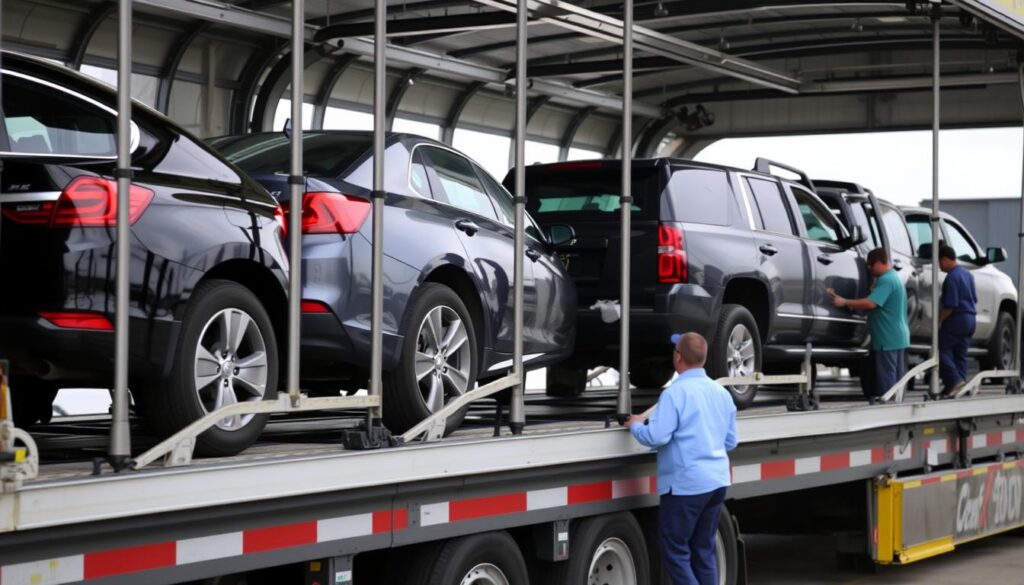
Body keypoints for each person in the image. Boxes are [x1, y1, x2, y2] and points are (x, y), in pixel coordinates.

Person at [625, 333, 737, 585]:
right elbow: (731, 442)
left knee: (675, 552)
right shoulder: (721, 393)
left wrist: (635, 425)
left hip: (686, 486)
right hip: (717, 483)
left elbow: (657, 435)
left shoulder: (675, 394)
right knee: (703, 550)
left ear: (678, 357)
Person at [827, 247, 910, 403]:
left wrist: (844, 301)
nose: (869, 268)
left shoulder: (886, 280)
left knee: (887, 375)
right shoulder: (894, 278)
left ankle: (888, 405)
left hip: (888, 338)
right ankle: (897, 405)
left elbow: (871, 304)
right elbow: (875, 307)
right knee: (897, 377)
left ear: (880, 262)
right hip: (898, 336)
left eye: (871, 264)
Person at [937, 244, 977, 398]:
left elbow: (951, 305)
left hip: (957, 319)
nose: (939, 267)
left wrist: (940, 320)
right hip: (970, 319)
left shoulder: (952, 277)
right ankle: (960, 388)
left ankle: (954, 381)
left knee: (940, 351)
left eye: (940, 262)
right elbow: (974, 299)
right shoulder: (968, 275)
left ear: (945, 259)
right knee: (960, 354)